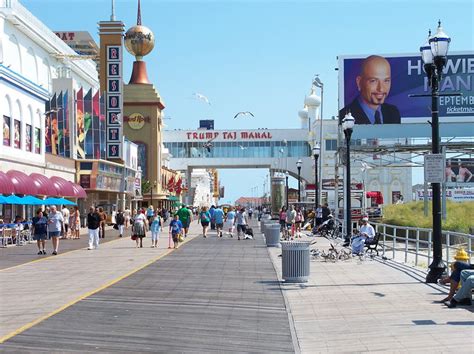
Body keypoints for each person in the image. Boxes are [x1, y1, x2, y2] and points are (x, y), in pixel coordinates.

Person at [339, 55, 401, 125]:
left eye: (386, 81)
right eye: (373, 81)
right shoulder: (344, 117)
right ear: (359, 82)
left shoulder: (393, 113)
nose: (381, 88)